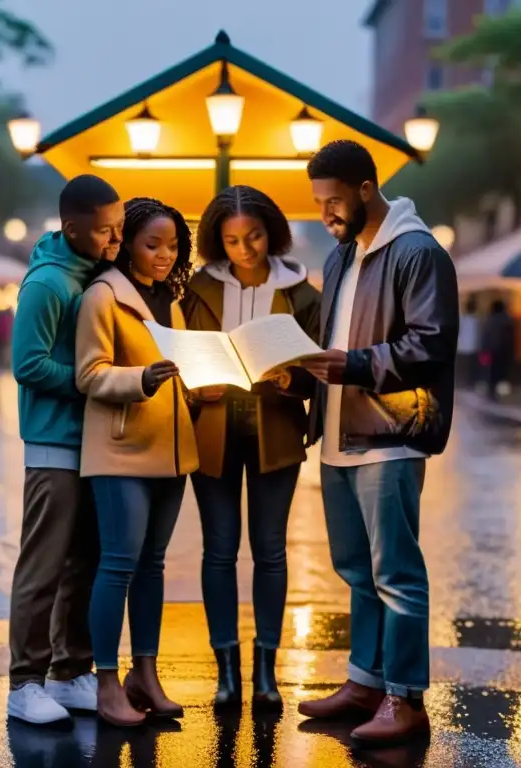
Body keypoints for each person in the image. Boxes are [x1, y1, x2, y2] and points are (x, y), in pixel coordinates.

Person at [295, 140, 459, 748]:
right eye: (318, 203)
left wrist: (356, 364)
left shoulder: (418, 253)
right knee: (356, 571)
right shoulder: (340, 256)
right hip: (338, 433)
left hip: (390, 435)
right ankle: (365, 683)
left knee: (396, 572)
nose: (326, 214)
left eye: (333, 200)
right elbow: (329, 338)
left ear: (367, 189)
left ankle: (406, 698)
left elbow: (431, 344)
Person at [183, 185, 321, 711]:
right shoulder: (196, 289)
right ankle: (226, 673)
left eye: (256, 236)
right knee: (218, 551)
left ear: (274, 232)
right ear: (218, 240)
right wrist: (198, 386)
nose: (246, 248)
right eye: (233, 239)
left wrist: (294, 381)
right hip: (213, 429)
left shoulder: (303, 293)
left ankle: (266, 672)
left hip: (276, 431)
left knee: (270, 550)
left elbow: (319, 372)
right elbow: (179, 356)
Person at [75, 197, 198, 727]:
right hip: (121, 450)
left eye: (173, 246)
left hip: (171, 453)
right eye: (152, 245)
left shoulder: (172, 298)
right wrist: (138, 380)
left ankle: (144, 675)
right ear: (125, 244)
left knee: (152, 565)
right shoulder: (102, 297)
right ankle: (106, 683)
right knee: (119, 564)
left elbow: (181, 367)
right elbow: (89, 373)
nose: (165, 255)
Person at [7, 175, 124, 726]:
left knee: (85, 563)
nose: (114, 239)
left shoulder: (93, 273)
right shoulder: (49, 283)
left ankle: (69, 671)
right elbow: (27, 364)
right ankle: (23, 683)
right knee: (44, 567)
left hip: (95, 444)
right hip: (54, 443)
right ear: (72, 227)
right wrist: (89, 379)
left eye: (119, 228)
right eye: (104, 231)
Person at [480, 300, 515, 400]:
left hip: (490, 351)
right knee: (502, 371)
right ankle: (499, 391)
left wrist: (483, 350)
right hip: (503, 350)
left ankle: (491, 391)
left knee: (491, 372)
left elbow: (485, 337)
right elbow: (510, 338)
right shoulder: (507, 320)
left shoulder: (489, 320)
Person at [457, 297, 481, 391]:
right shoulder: (476, 320)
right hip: (472, 348)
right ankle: (469, 384)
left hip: (462, 348)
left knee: (465, 368)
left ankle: (464, 384)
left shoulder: (462, 319)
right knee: (471, 369)